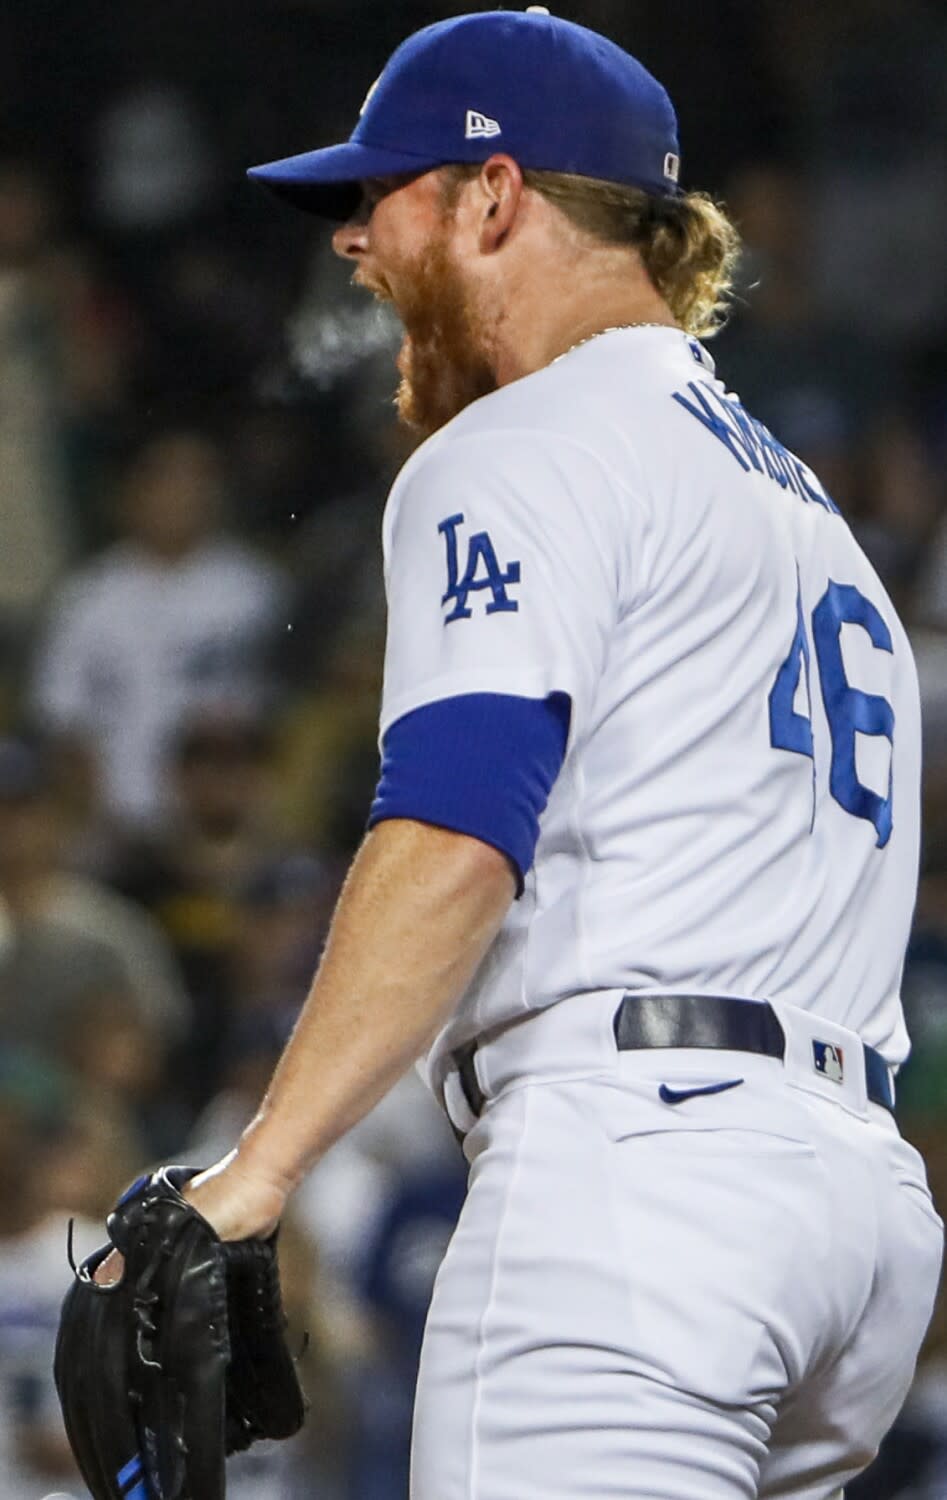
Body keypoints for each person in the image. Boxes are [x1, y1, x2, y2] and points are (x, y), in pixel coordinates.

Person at [96, 10, 943, 1498]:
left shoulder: (523, 444)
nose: (353, 242)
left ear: (493, 195)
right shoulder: (809, 513)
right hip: (855, 1221)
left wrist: (256, 1172)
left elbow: (458, 829)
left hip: (640, 1187)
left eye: (384, 193)